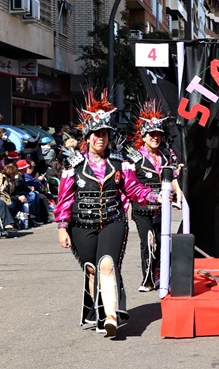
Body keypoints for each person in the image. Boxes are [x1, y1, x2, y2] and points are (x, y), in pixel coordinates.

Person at [54, 89, 157, 338]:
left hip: (113, 221)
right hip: (81, 225)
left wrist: (155, 196)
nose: (101, 139)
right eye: (97, 135)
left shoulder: (119, 163)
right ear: (88, 137)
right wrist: (61, 226)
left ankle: (110, 316)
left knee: (107, 265)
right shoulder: (74, 166)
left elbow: (133, 188)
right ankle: (96, 312)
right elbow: (65, 199)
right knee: (92, 269)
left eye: (105, 135)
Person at [126, 100, 175, 292]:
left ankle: (161, 275)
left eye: (158, 135)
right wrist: (153, 196)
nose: (155, 138)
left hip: (163, 209)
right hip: (142, 208)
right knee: (148, 242)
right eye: (152, 135)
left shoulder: (165, 156)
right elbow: (131, 184)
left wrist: (176, 193)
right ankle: (147, 278)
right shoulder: (134, 157)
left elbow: (174, 178)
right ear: (144, 137)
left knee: (163, 243)